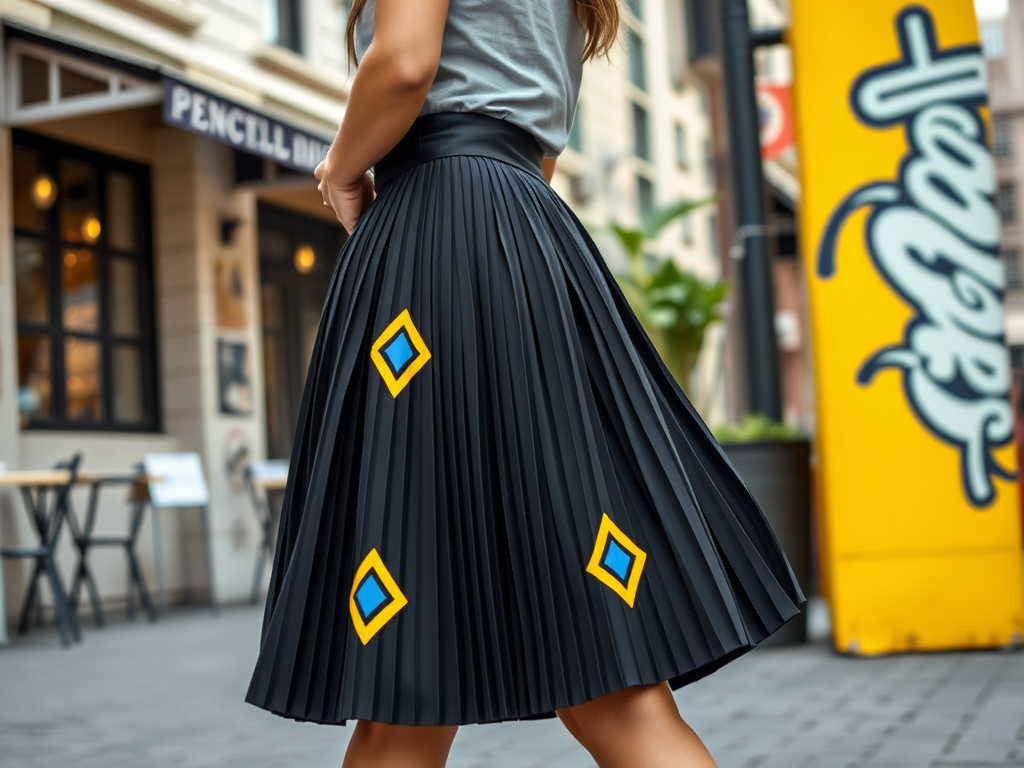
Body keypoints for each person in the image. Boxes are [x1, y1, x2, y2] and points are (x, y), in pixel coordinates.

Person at [245, 0, 804, 765]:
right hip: (529, 241)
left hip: (433, 241)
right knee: (609, 678)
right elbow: (541, 151)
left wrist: (341, 169)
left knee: (404, 672)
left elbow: (406, 64)